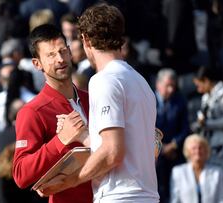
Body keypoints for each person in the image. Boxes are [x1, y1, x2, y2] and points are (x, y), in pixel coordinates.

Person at [38, 4, 160, 203]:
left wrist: (69, 181)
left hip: (119, 196)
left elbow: (112, 152)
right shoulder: (141, 82)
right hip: (145, 195)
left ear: (85, 40)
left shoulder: (103, 80)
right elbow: (130, 146)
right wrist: (84, 135)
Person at [12, 24, 92, 203]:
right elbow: (20, 174)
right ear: (37, 63)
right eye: (51, 55)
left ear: (70, 52)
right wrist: (60, 141)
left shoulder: (94, 99)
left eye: (63, 51)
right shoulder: (32, 112)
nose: (60, 59)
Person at [192, 66, 223, 172]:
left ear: (206, 81)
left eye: (199, 85)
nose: (198, 89)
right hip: (208, 143)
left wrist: (206, 124)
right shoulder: (206, 97)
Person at [155, 68, 190, 203]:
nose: (170, 90)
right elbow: (145, 126)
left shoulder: (180, 101)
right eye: (167, 86)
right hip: (154, 153)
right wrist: (161, 147)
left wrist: (173, 145)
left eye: (173, 86)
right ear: (158, 84)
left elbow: (185, 128)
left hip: (174, 152)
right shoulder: (148, 100)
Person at [170, 134, 223, 203]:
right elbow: (175, 199)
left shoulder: (217, 172)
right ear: (188, 151)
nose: (197, 151)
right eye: (194, 148)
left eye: (200, 148)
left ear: (206, 151)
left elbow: (221, 199)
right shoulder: (178, 172)